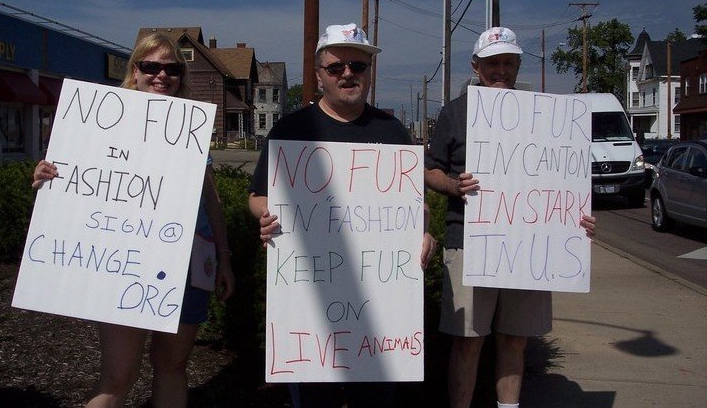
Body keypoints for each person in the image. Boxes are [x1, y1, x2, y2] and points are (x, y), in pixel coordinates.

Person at [31, 32, 235, 408]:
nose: (162, 75)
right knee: (117, 377)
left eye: (172, 69)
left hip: (189, 263)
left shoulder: (190, 127)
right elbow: (76, 179)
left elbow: (211, 199)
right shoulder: (100, 122)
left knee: (172, 366)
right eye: (151, 66)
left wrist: (224, 257)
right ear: (135, 70)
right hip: (122, 264)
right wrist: (48, 176)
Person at [248, 23, 437, 408]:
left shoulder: (393, 132)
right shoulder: (292, 130)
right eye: (336, 67)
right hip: (308, 302)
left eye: (358, 65)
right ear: (320, 75)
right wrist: (267, 216)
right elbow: (258, 195)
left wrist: (424, 234)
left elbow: (416, 206)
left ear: (369, 71)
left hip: (379, 310)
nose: (348, 74)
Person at [424, 26, 597, 408]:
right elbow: (429, 169)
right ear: (476, 66)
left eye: (508, 62)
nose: (500, 70)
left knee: (515, 340)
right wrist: (453, 186)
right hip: (469, 243)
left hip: (529, 246)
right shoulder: (455, 112)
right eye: (492, 63)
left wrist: (575, 218)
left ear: (518, 65)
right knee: (468, 342)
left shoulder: (544, 115)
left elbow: (560, 179)